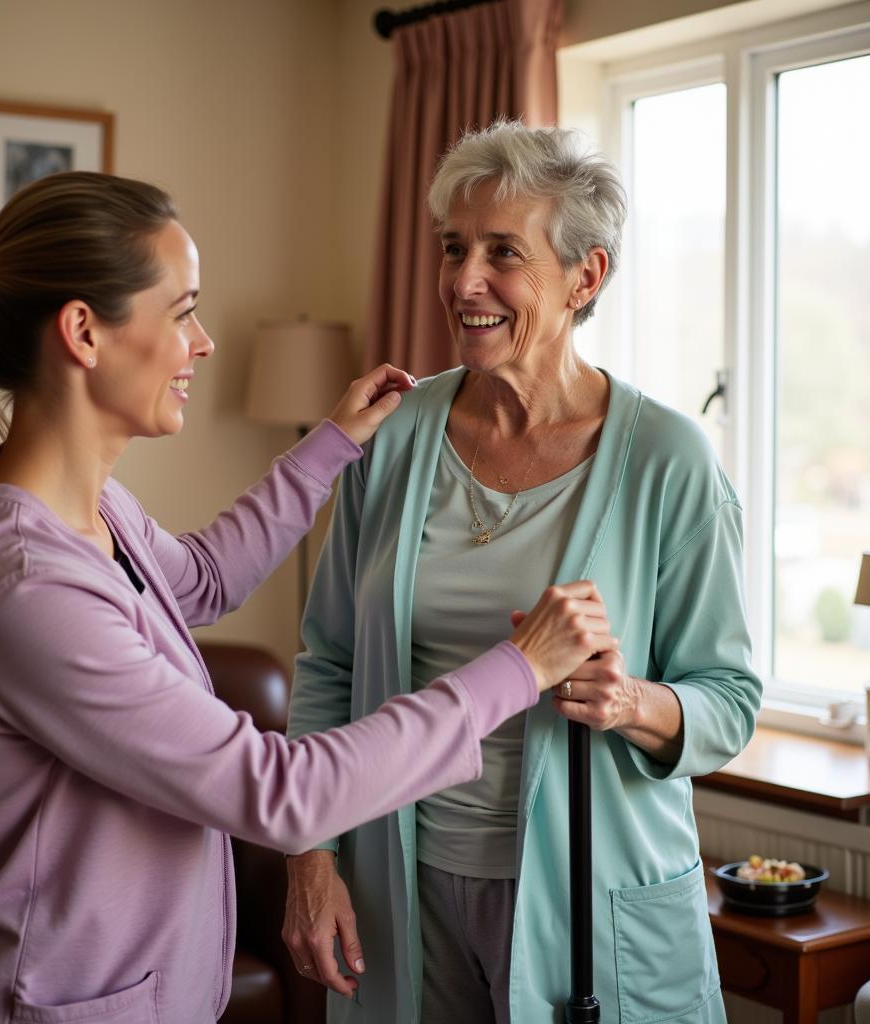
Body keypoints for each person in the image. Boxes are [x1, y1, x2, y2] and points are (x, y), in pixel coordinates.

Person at [0, 170, 615, 1024]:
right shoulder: (27, 586)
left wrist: (327, 447)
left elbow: (202, 582)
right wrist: (518, 670)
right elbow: (280, 792)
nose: (204, 341)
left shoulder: (88, 512)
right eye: (181, 312)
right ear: (83, 333)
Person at [283, 121, 762, 1024]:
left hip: (594, 897)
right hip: (404, 888)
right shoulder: (392, 438)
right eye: (454, 247)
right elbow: (328, 664)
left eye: (504, 251)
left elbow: (729, 697)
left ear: (587, 276)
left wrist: (632, 704)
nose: (465, 280)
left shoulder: (669, 458)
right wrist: (311, 858)